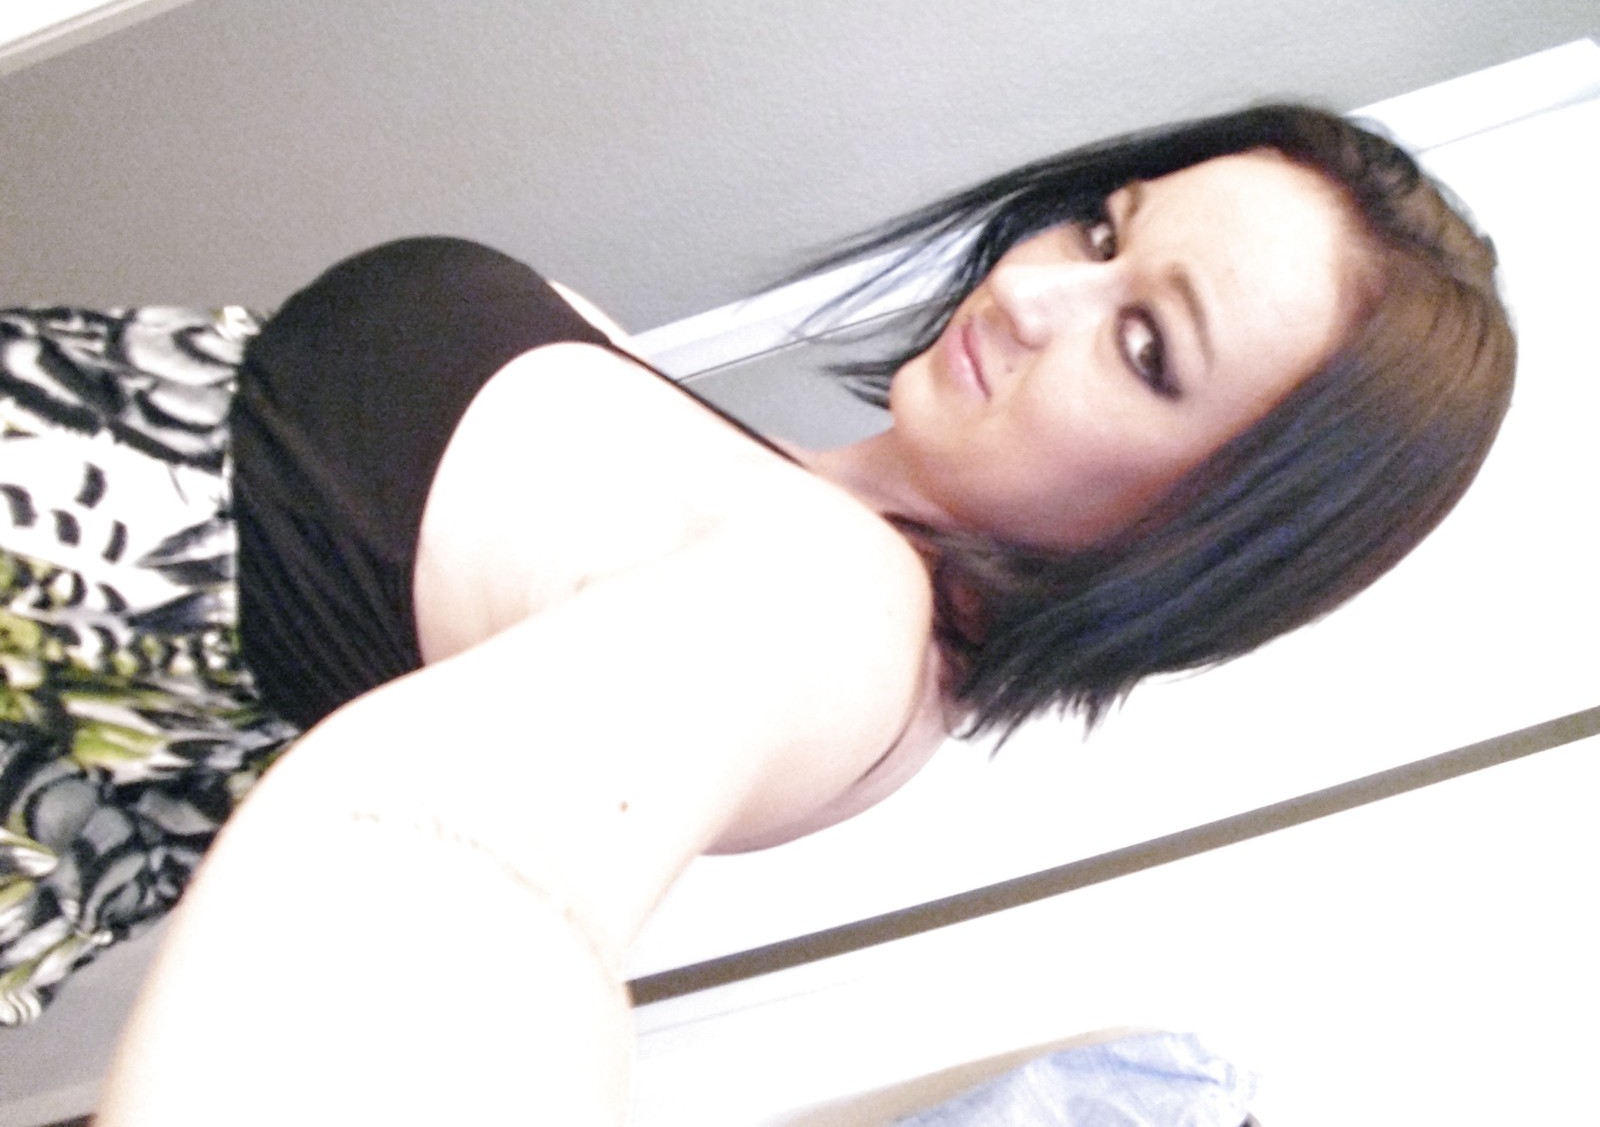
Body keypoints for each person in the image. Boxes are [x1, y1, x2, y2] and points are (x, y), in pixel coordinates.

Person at [0, 104, 1510, 1121]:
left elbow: (461, 873)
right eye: (1104, 235)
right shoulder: (803, 511)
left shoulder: (835, 607)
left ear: (1207, 537)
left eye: (1146, 347)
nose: (1035, 296)